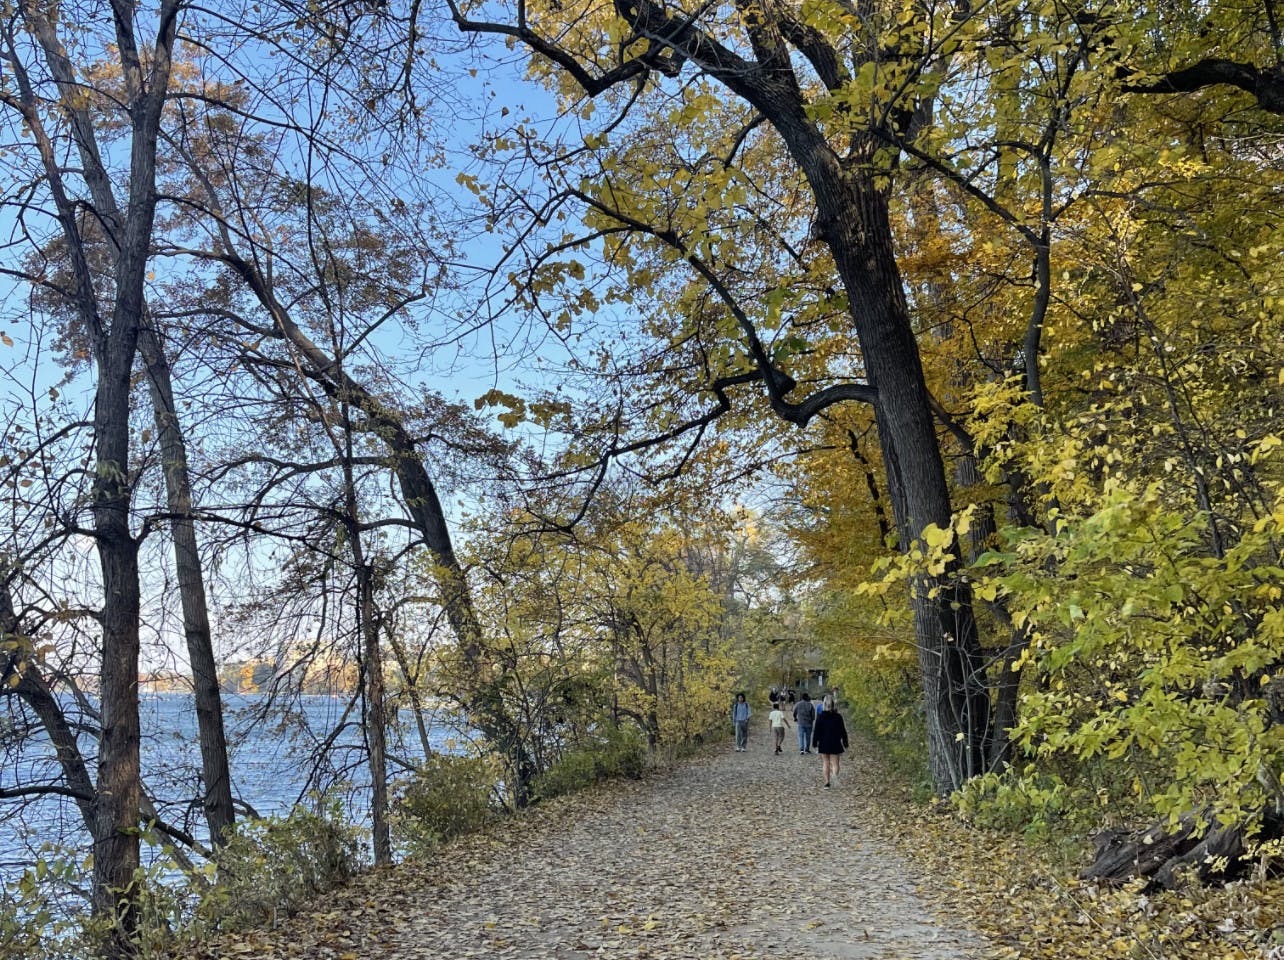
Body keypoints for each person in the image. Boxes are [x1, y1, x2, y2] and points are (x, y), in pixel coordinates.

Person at [811, 694, 848, 787]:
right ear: (833, 704)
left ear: (824, 704)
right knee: (835, 763)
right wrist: (845, 742)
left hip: (824, 742)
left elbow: (816, 731)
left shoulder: (820, 717)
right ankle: (834, 776)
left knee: (825, 762)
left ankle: (827, 782)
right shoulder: (838, 717)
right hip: (835, 742)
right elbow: (843, 730)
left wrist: (814, 742)